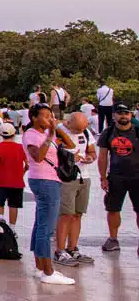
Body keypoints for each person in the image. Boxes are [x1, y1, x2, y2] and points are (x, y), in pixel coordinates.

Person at [23, 104, 73, 286]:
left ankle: (40, 266)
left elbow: (70, 145)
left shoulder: (45, 133)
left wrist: (56, 128)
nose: (48, 119)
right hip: (44, 181)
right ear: (34, 117)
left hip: (50, 180)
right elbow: (37, 156)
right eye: (45, 116)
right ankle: (48, 271)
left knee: (40, 222)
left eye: (50, 116)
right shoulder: (31, 134)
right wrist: (51, 134)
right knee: (46, 227)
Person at [53, 112, 96, 267]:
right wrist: (71, 158)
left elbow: (92, 151)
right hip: (66, 178)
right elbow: (52, 153)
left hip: (84, 176)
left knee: (78, 214)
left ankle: (73, 248)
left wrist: (90, 158)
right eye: (76, 129)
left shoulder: (85, 131)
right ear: (68, 122)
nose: (79, 132)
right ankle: (60, 250)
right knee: (66, 214)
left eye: (81, 129)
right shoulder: (57, 131)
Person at [97, 103, 137, 254]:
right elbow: (102, 157)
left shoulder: (137, 131)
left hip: (137, 177)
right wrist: (102, 178)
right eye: (120, 113)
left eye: (126, 113)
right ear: (114, 116)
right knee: (113, 209)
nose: (123, 116)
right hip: (116, 177)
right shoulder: (108, 133)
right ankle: (113, 239)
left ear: (130, 116)